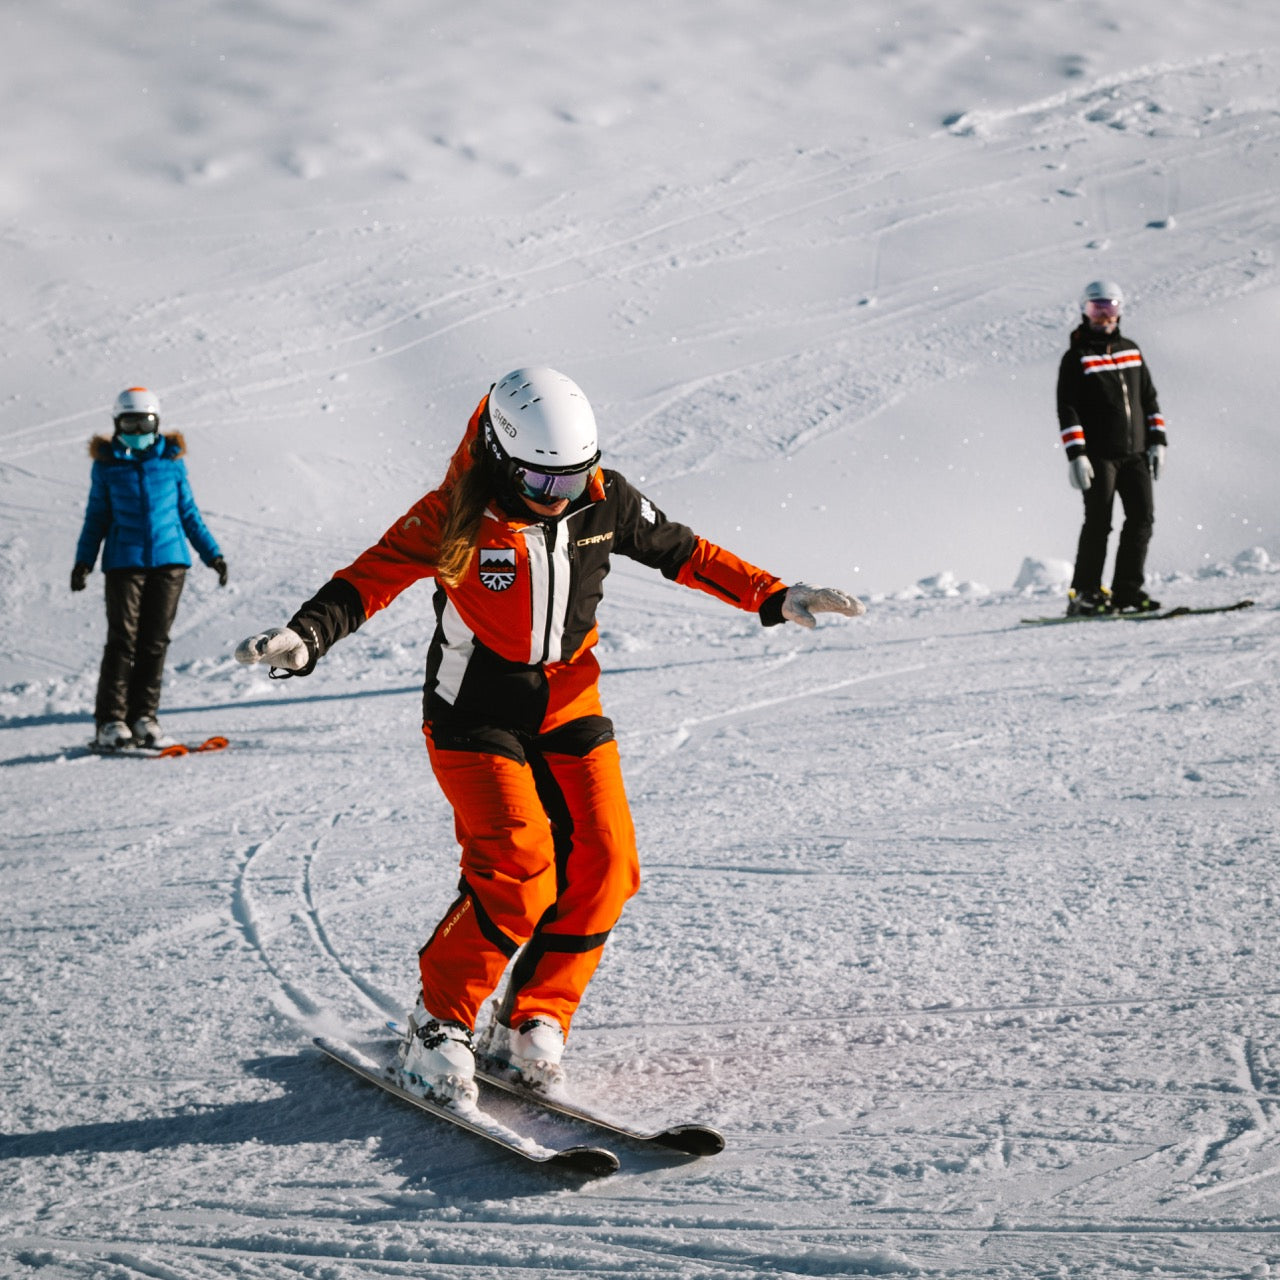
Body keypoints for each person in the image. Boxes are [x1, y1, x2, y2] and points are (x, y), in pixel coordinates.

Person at [235, 366, 863, 1108]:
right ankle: (437, 1023)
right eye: (540, 479)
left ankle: (533, 1013)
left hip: (568, 705)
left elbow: (683, 551)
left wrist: (773, 594)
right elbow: (367, 579)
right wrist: (306, 638)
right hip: (473, 715)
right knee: (521, 864)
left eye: (571, 477)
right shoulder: (455, 515)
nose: (558, 494)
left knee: (608, 861)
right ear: (501, 455)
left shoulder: (604, 497)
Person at [72, 387, 228, 750]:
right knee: (122, 642)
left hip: (170, 564)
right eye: (130, 422)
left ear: (157, 423)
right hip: (124, 563)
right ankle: (110, 722)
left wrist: (213, 555)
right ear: (117, 423)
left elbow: (188, 515)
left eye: (144, 422)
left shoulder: (172, 463)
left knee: (154, 643)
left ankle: (144, 717)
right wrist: (83, 561)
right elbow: (96, 518)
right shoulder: (107, 466)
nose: (137, 428)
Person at [1056, 280, 1168, 616]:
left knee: (1141, 519)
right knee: (1099, 522)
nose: (1104, 316)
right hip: (1100, 456)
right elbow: (1068, 408)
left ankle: (1126, 592)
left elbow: (1148, 398)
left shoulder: (1131, 350)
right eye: (1096, 309)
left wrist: (1158, 441)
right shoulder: (1077, 357)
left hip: (1135, 454)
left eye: (1110, 308)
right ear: (1084, 312)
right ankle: (1084, 593)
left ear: (1119, 312)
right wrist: (1076, 455)